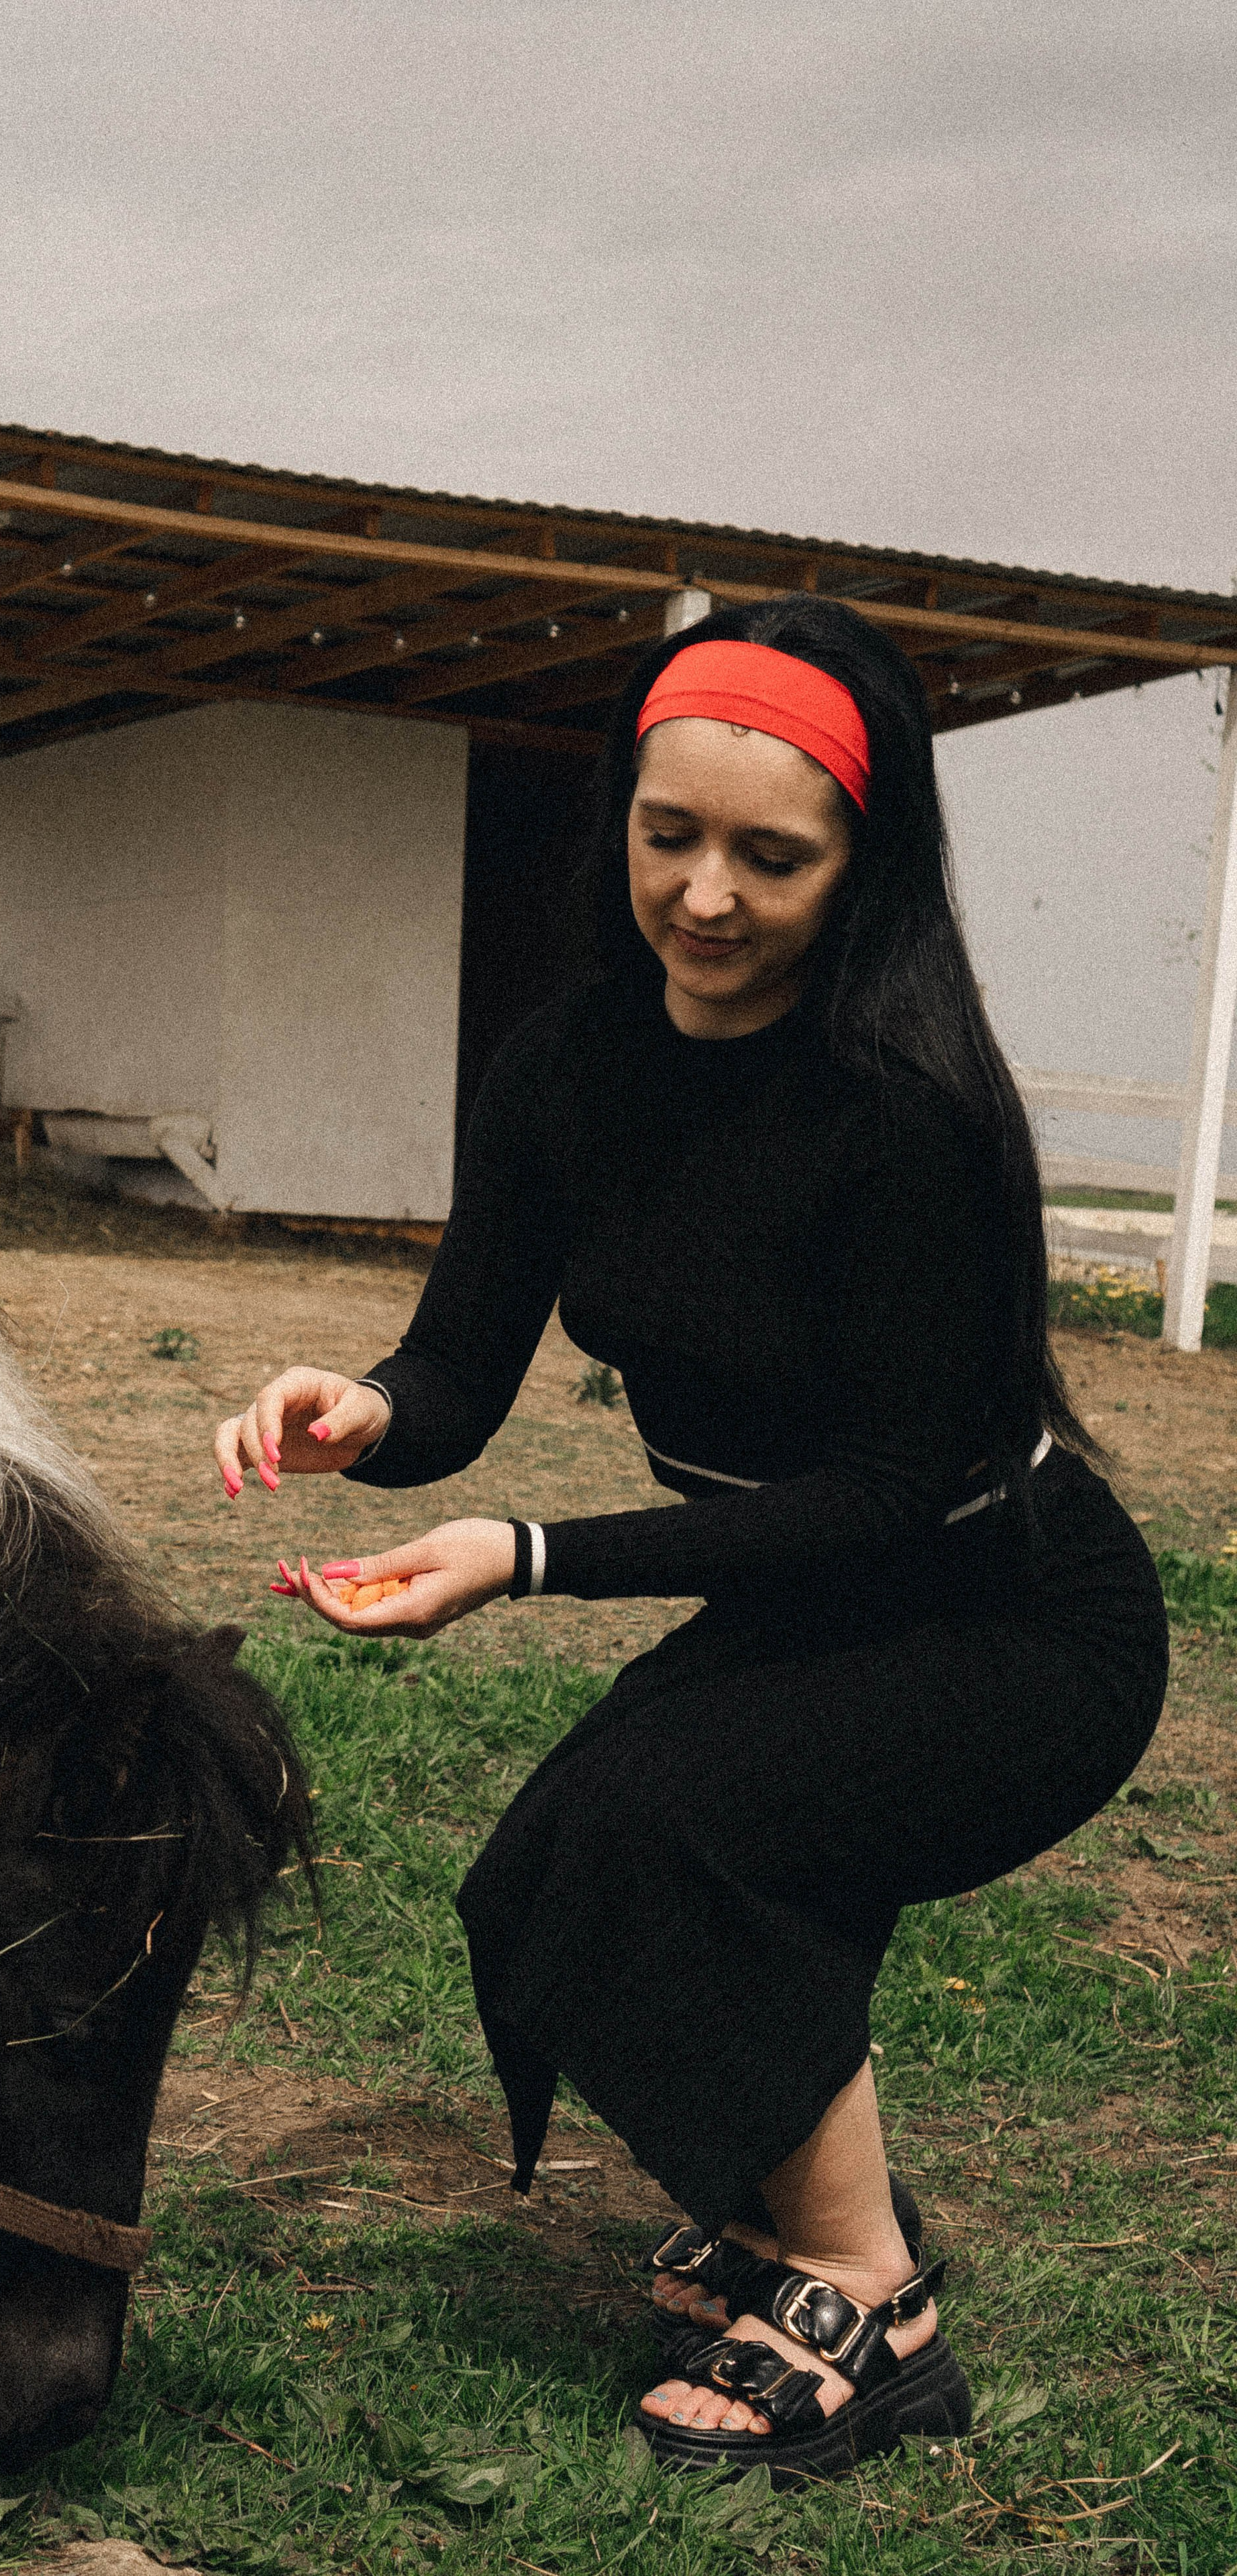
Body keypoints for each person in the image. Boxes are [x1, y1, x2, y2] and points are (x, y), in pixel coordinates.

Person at [211, 596, 1167, 2483]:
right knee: (563, 1851)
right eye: (670, 836)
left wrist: (531, 1557)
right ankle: (773, 2211)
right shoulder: (568, 1063)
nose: (706, 896)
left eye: (771, 857)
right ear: (623, 822)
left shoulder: (910, 1113)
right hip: (811, 1600)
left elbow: (887, 1496)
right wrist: (369, 1415)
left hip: (1003, 1616)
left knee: (679, 1832)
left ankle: (870, 2298)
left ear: (863, 863)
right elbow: (459, 1364)